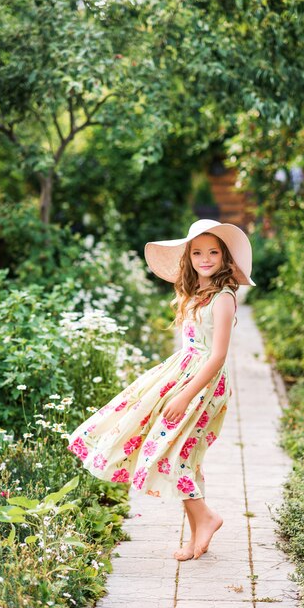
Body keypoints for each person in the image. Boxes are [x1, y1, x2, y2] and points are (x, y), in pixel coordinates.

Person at [67, 219, 255, 561]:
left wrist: (185, 396)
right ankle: (198, 533)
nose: (205, 258)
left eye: (213, 252)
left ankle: (207, 519)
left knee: (173, 453)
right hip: (181, 375)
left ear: (225, 258)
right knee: (181, 454)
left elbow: (218, 356)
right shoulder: (195, 294)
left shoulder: (223, 299)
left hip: (203, 385)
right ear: (188, 257)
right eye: (197, 252)